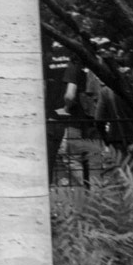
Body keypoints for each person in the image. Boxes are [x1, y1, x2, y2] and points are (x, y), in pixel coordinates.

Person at [45, 48, 79, 182]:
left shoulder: (47, 58)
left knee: (48, 161)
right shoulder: (72, 61)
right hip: (66, 118)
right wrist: (66, 109)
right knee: (78, 161)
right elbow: (70, 95)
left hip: (48, 116)